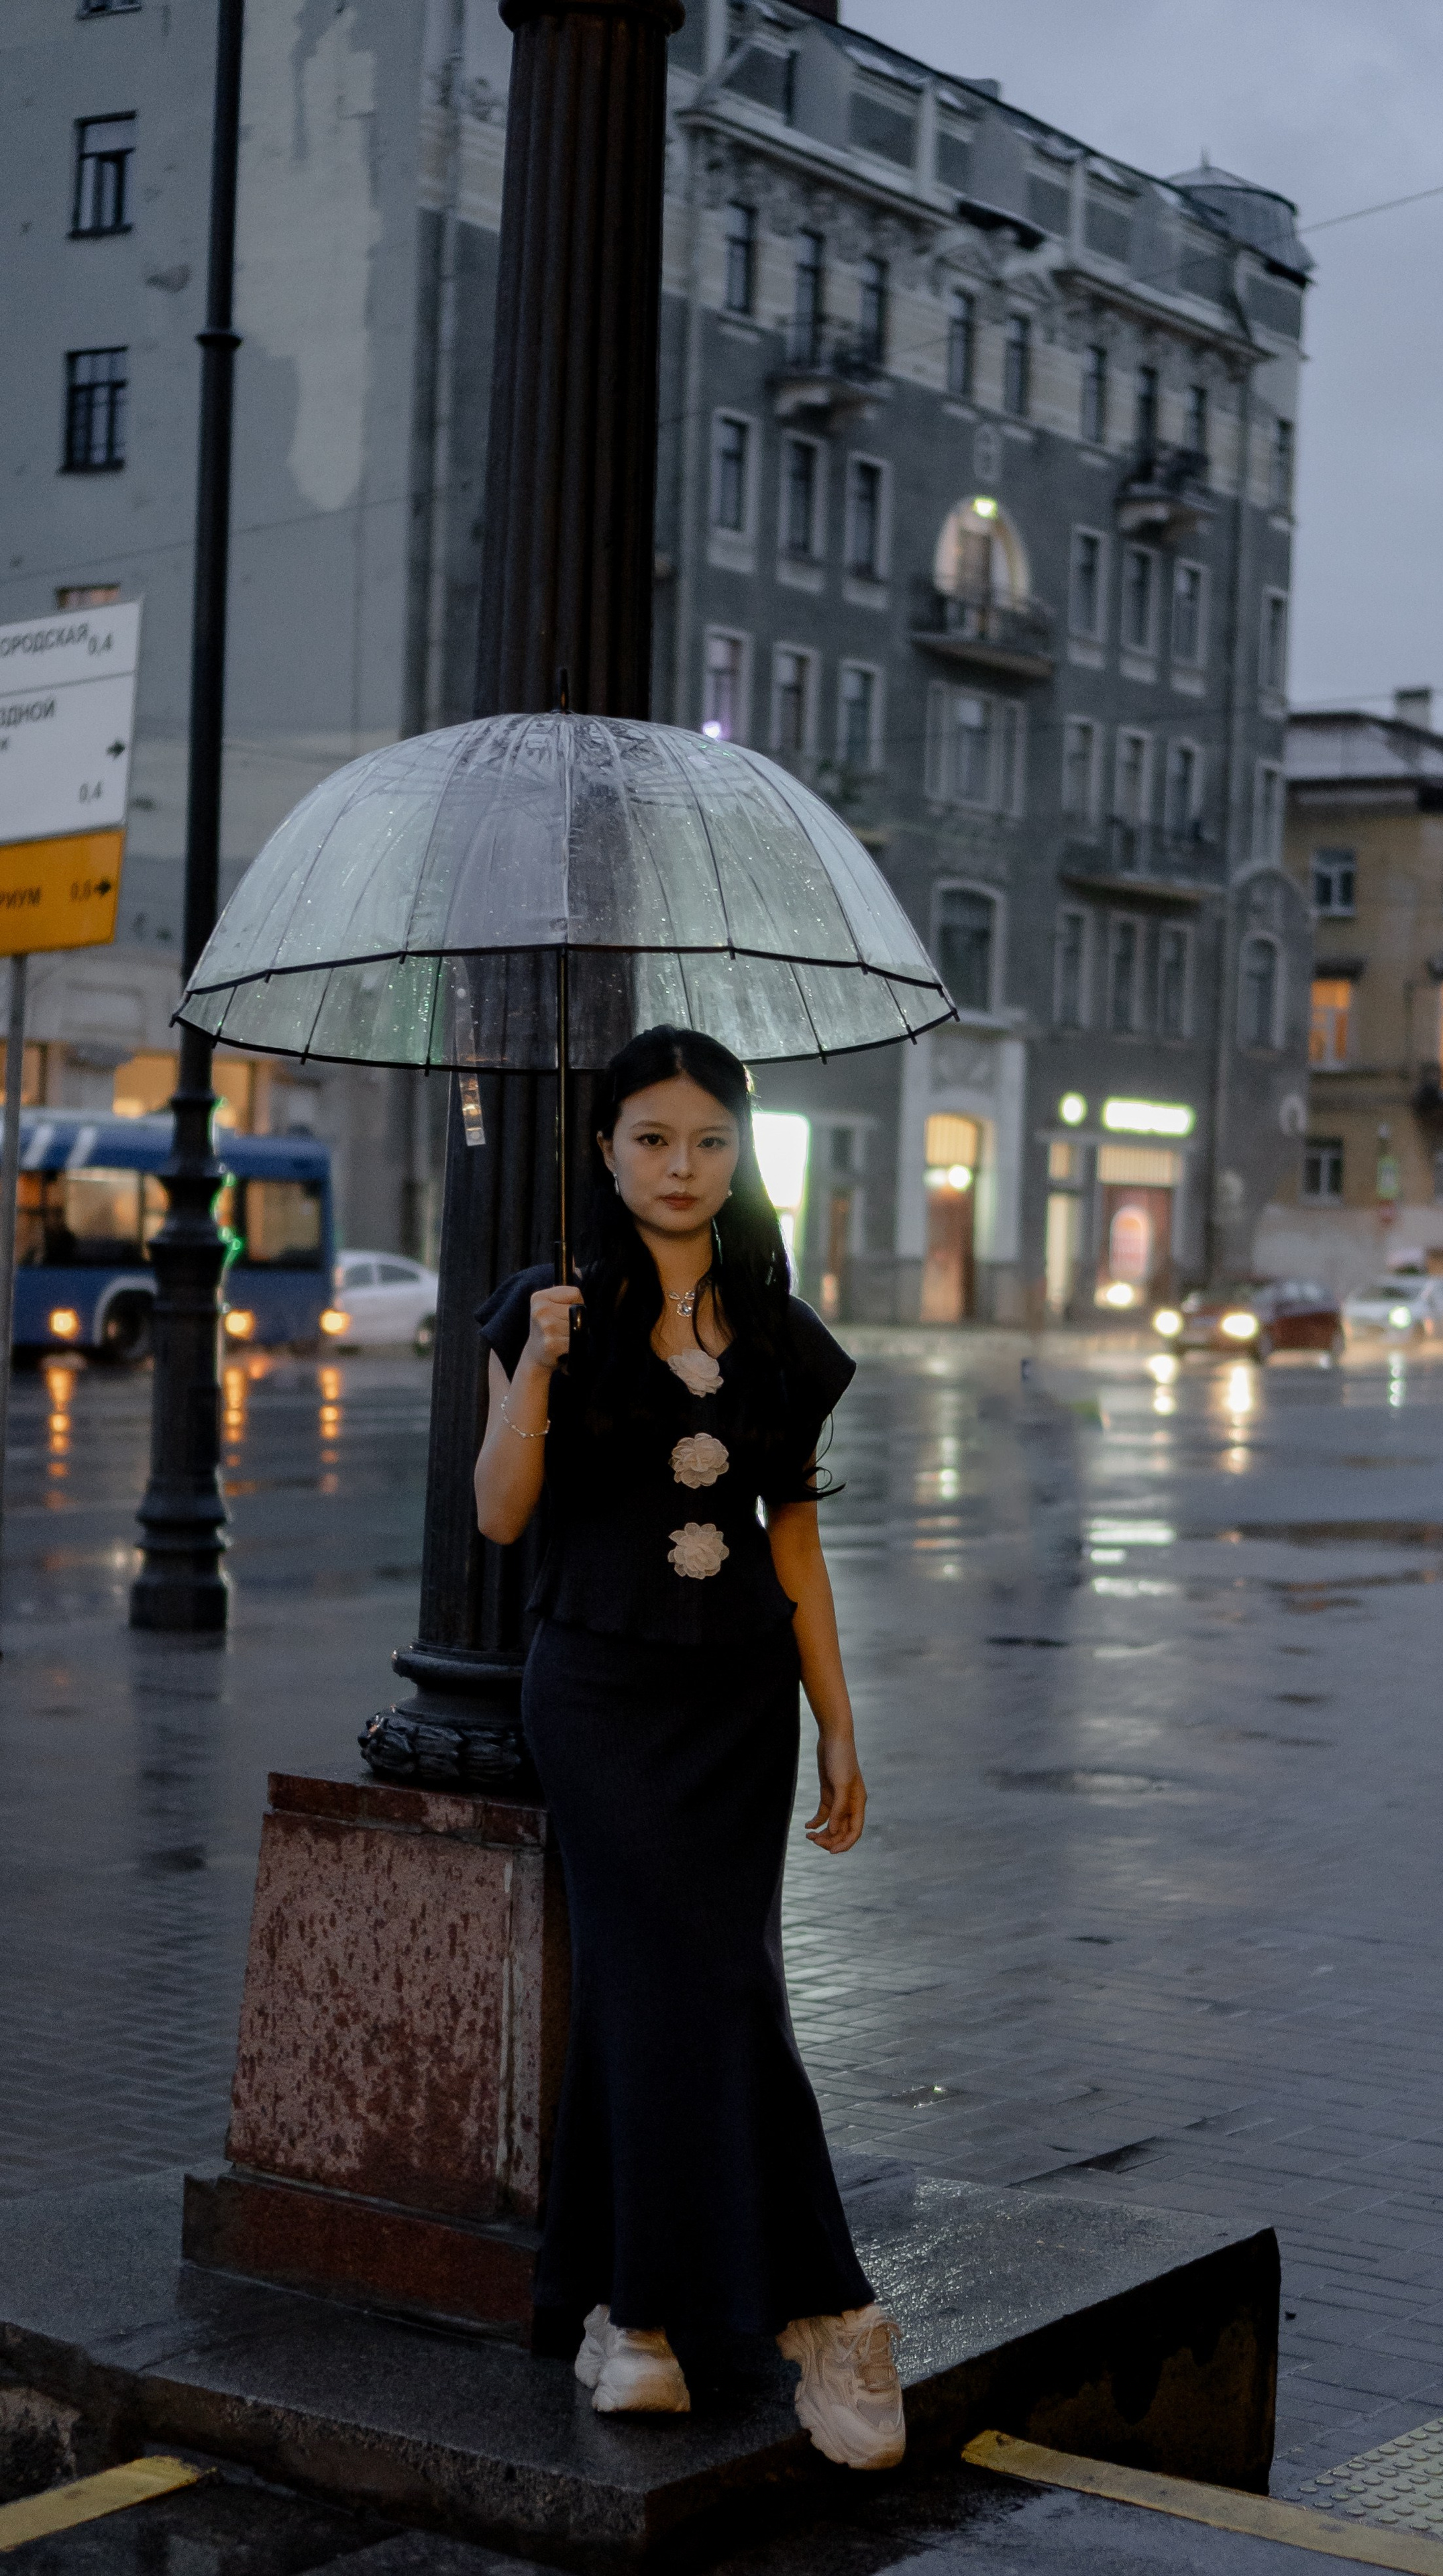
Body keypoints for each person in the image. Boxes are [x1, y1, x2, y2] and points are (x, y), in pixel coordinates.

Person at [472, 1024, 904, 2472]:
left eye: (709, 1141)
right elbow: (498, 1514)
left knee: (673, 1989)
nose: (680, 1166)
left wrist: (838, 1721)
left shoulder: (777, 1331)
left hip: (738, 1707)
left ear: (740, 1156)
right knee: (697, 1985)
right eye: (652, 1139)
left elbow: (798, 1549)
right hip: (597, 1693)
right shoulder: (546, 1310)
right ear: (604, 1151)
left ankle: (632, 2316)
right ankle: (830, 2311)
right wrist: (536, 1371)